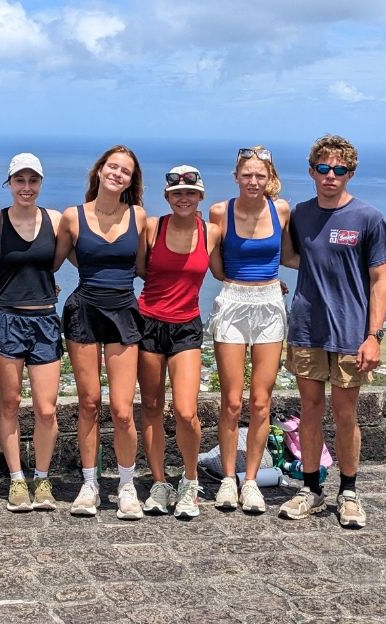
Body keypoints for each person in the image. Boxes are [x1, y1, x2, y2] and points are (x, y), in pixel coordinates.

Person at [279, 134, 386, 529]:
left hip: (350, 330)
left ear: (350, 173)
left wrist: (373, 335)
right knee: (310, 411)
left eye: (340, 169)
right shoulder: (300, 213)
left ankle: (349, 491)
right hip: (308, 327)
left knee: (346, 413)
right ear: (312, 171)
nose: (331, 176)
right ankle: (310, 488)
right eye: (324, 168)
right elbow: (291, 256)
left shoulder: (368, 218)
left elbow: (380, 279)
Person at [55, 145, 147, 519]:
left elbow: (144, 267)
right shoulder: (72, 217)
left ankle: (126, 485)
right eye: (112, 167)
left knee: (123, 410)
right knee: (90, 403)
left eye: (125, 171)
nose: (117, 174)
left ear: (131, 180)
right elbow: (55, 259)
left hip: (124, 310)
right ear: (99, 171)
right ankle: (89, 483)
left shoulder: (139, 217)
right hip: (85, 311)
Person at [206, 147, 291, 514]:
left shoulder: (282, 210)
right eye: (247, 175)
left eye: (260, 175)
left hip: (270, 303)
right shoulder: (220, 212)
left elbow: (288, 254)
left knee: (261, 400)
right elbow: (215, 267)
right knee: (231, 400)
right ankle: (228, 478)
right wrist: (244, 286)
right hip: (234, 300)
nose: (253, 181)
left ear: (268, 177)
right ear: (236, 176)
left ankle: (252, 480)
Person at [137, 165, 221, 520]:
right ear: (167, 197)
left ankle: (189, 480)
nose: (183, 198)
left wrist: (265, 284)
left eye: (190, 192)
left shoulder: (211, 232)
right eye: (176, 193)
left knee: (186, 410)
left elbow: (221, 271)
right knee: (152, 407)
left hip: (186, 325)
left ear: (200, 196)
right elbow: (139, 268)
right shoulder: (153, 227)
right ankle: (159, 482)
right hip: (148, 322)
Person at [0, 154, 63, 512]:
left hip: (45, 318)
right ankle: (17, 480)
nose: (26, 188)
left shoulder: (56, 220)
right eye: (20, 181)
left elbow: (56, 261)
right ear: (10, 183)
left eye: (33, 181)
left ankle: (42, 477)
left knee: (47, 409)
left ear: (41, 184)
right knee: (10, 403)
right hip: (7, 320)